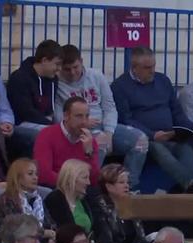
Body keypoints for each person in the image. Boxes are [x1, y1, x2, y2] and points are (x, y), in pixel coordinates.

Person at [55, 44, 148, 189]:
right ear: (60, 67)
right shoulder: (57, 84)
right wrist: (82, 122)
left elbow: (109, 107)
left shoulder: (96, 76)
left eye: (75, 67)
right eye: (67, 69)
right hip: (79, 130)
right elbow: (59, 116)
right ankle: (89, 189)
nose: (72, 72)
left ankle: (129, 187)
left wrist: (109, 132)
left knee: (140, 140)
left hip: (105, 125)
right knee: (99, 143)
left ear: (82, 61)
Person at [111, 46, 193, 192]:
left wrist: (189, 127)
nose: (152, 70)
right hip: (147, 138)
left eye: (153, 66)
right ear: (134, 68)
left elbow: (176, 109)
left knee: (186, 149)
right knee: (159, 149)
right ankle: (191, 187)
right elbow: (125, 119)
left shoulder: (162, 80)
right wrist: (152, 134)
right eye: (147, 67)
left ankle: (187, 186)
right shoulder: (120, 86)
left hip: (171, 135)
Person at [7, 39, 62, 155]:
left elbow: (50, 109)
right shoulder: (19, 78)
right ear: (45, 60)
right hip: (21, 124)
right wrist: (52, 126)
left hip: (44, 123)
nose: (59, 69)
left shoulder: (52, 79)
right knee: (52, 136)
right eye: (57, 64)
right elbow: (25, 112)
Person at [90, 164, 146, 243]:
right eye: (121, 182)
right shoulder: (100, 207)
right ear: (109, 186)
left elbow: (140, 237)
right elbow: (107, 239)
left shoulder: (131, 204)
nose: (126, 186)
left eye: (127, 182)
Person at [33, 96, 100, 188]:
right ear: (66, 116)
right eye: (79, 116)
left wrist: (89, 154)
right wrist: (73, 185)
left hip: (80, 191)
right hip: (55, 189)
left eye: (87, 116)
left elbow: (94, 180)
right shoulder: (47, 135)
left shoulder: (89, 141)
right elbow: (43, 174)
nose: (84, 121)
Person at [43, 159, 102, 243]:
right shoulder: (55, 199)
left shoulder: (84, 199)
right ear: (71, 178)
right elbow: (65, 232)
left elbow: (98, 227)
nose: (88, 182)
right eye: (85, 178)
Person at [0, 157, 46, 225]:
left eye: (36, 174)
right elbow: (14, 227)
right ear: (17, 177)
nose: (35, 177)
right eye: (30, 174)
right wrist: (42, 232)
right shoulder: (7, 199)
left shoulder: (38, 198)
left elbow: (50, 224)